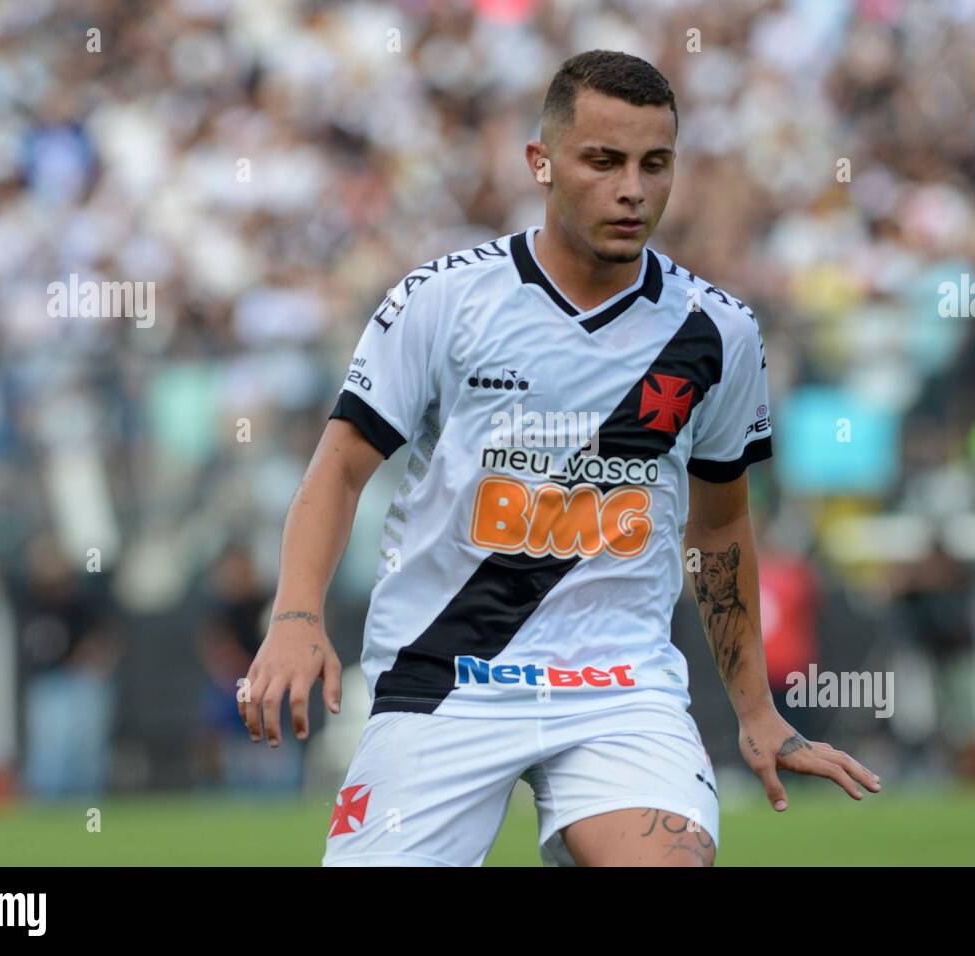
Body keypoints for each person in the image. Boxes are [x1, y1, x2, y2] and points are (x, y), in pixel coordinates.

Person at [239, 50, 879, 867]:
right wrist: (295, 619)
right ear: (541, 163)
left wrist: (756, 710)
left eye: (656, 164)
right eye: (604, 161)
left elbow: (721, 531)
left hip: (619, 685)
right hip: (445, 672)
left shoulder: (717, 334)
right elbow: (338, 468)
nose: (633, 189)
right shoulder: (442, 301)